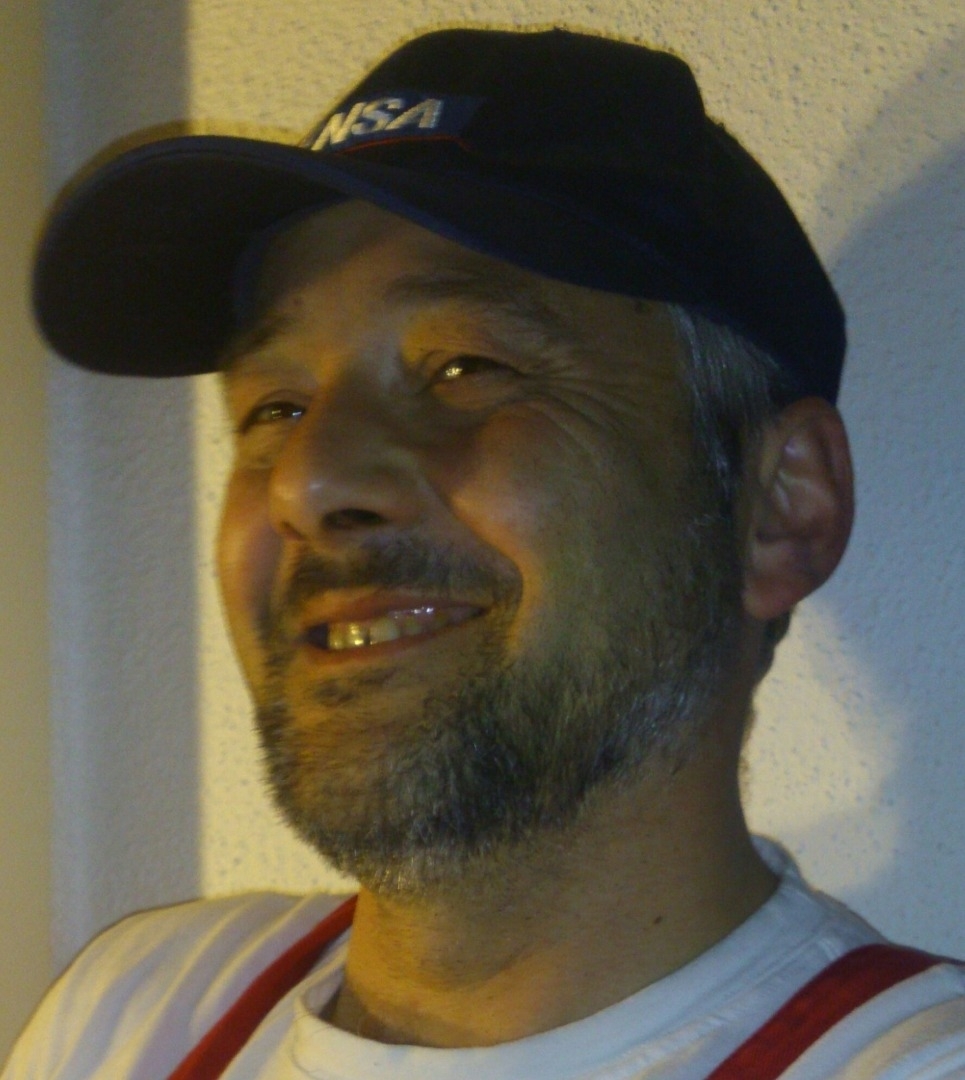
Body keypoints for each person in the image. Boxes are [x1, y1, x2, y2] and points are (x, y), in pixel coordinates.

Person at [6, 26, 965, 1080]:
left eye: (464, 366)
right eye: (273, 406)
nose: (306, 484)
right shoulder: (135, 1014)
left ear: (779, 509)